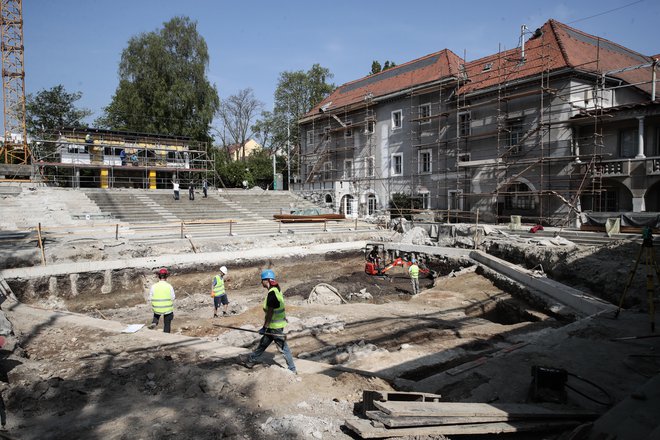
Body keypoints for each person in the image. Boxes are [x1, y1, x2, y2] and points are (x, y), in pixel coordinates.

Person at [243, 269, 297, 373]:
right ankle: (251, 360)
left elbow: (270, 313)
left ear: (266, 280)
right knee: (263, 343)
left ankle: (292, 369)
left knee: (283, 348)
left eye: (262, 280)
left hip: (274, 327)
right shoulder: (277, 289)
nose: (261, 282)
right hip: (276, 326)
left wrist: (264, 327)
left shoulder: (272, 293)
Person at [148, 268, 175, 333]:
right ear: (166, 276)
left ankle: (154, 321)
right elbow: (173, 297)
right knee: (167, 321)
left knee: (157, 311)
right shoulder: (169, 286)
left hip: (157, 308)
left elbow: (150, 297)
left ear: (158, 276)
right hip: (167, 309)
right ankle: (166, 333)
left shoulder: (153, 286)